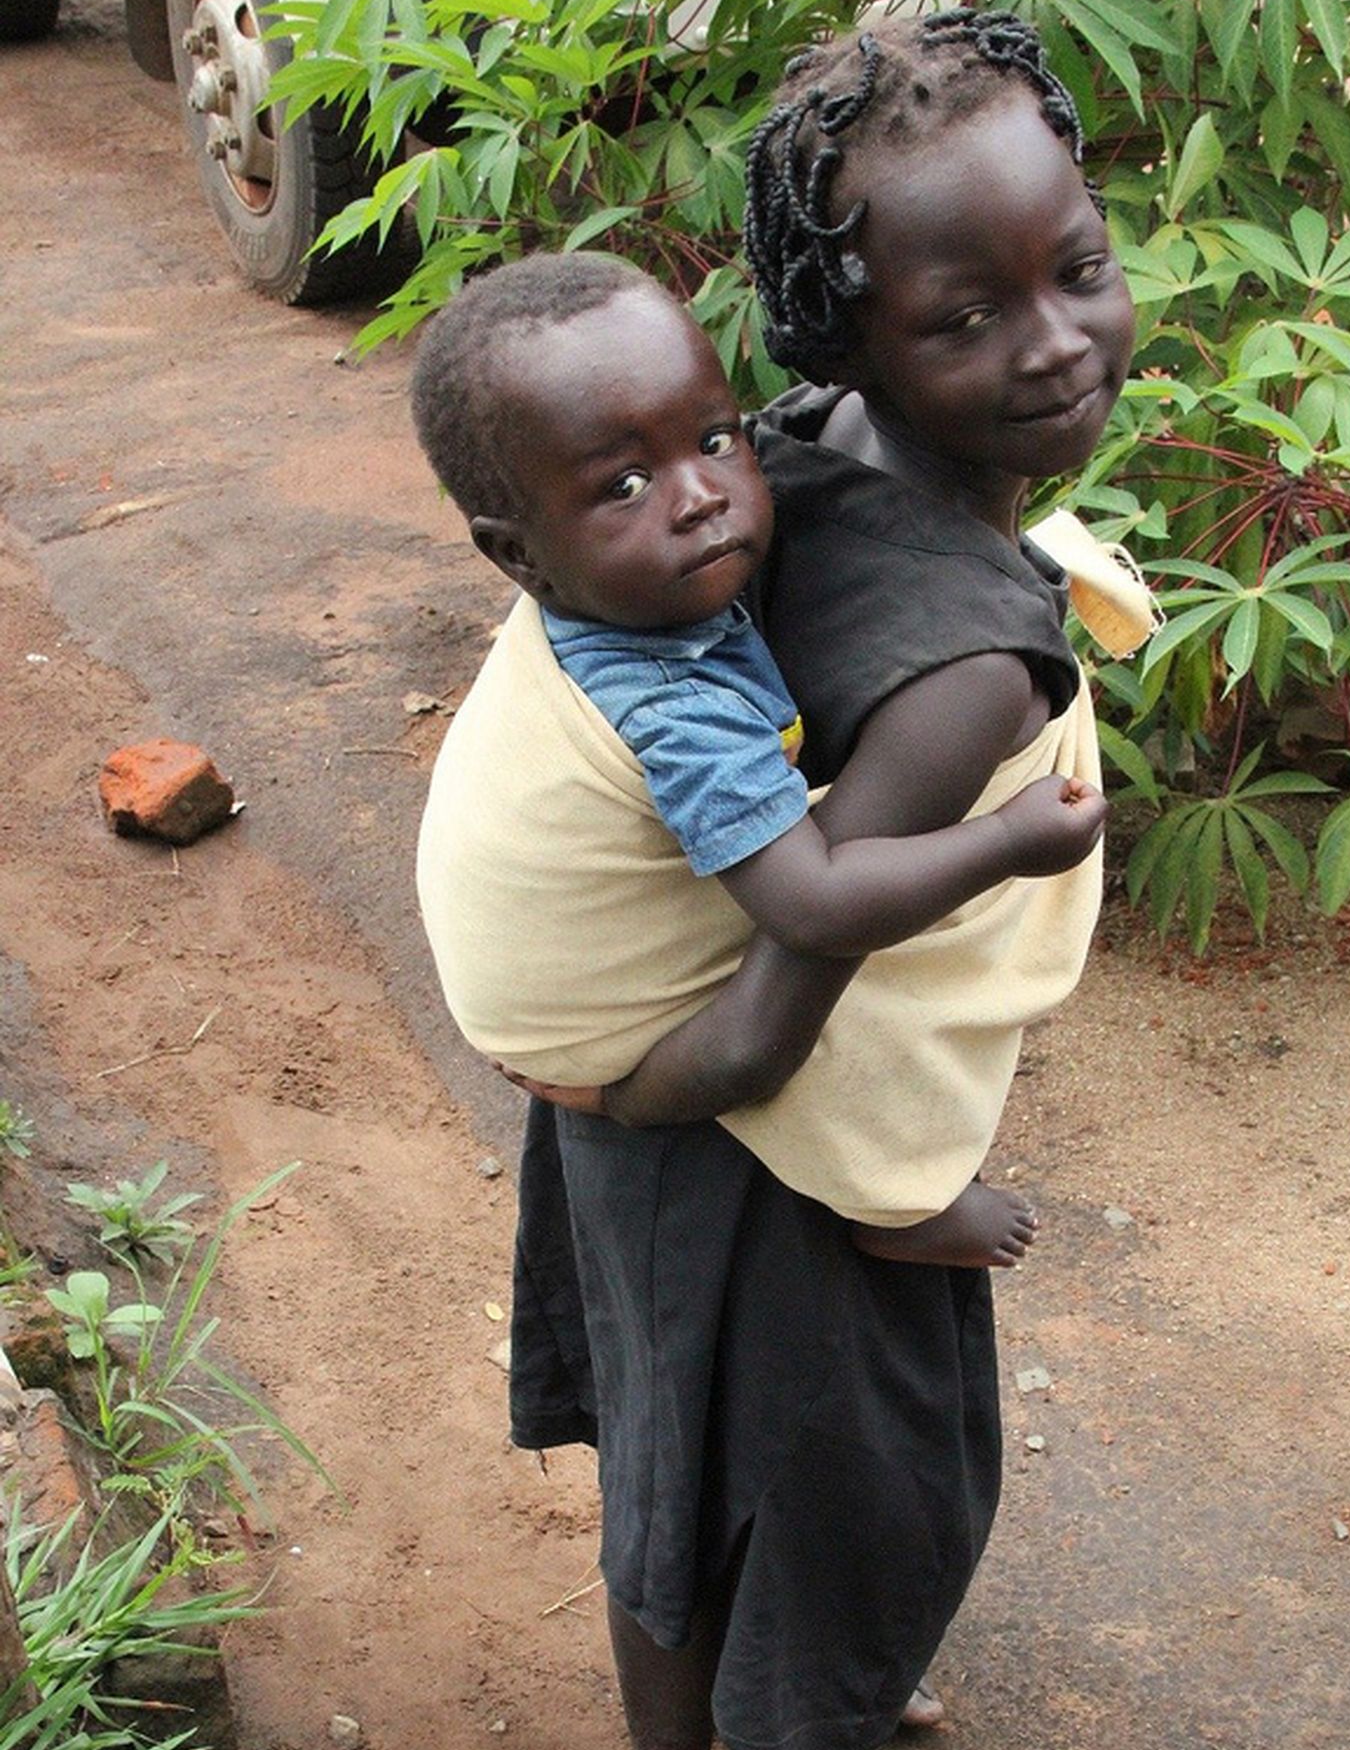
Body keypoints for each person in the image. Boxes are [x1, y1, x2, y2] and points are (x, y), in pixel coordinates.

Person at [501, 8, 1142, 1750]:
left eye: (1077, 270)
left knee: (832, 1443)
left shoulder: (803, 460)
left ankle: (831, 1662)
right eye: (968, 318)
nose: (1049, 344)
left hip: (752, 1088)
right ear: (850, 344)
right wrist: (814, 1155)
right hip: (717, 1113)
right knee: (707, 1464)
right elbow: (799, 967)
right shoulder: (963, 665)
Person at [412, 252, 1108, 1270]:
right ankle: (892, 1198)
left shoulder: (647, 587)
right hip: (595, 1035)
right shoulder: (673, 707)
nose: (700, 497)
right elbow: (815, 905)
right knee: (862, 1001)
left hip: (515, 967)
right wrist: (1004, 839)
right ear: (518, 555)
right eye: (628, 483)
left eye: (714, 438)